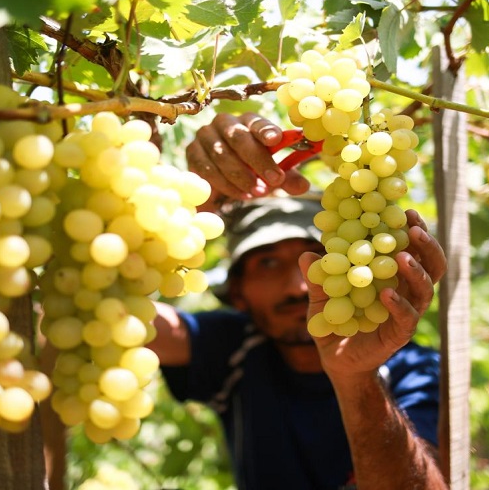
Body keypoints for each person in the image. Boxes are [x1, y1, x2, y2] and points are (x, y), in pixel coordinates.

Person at [147, 113, 448, 489]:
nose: (298, 286)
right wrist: (190, 212)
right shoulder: (235, 347)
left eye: (316, 257)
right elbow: (118, 316)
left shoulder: (411, 367)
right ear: (238, 293)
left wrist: (355, 378)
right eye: (268, 262)